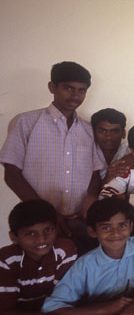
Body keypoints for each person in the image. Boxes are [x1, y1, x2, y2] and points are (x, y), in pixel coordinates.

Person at [0, 61, 105, 254]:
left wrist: (87, 208)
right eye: (68, 88)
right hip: (39, 226)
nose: (75, 96)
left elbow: (94, 174)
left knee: (80, 272)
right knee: (42, 276)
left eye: (81, 90)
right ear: (52, 87)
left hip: (79, 221)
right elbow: (12, 175)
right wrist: (49, 215)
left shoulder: (88, 129)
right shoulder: (25, 123)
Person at [41, 197, 134, 315]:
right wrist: (104, 309)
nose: (115, 233)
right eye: (106, 228)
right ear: (92, 231)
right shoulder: (84, 265)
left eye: (122, 225)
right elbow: (52, 307)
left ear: (131, 226)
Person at [0, 200, 77, 315]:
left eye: (48, 230)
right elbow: (3, 312)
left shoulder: (65, 250)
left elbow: (67, 296)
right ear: (14, 237)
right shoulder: (6, 260)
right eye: (30, 234)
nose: (42, 239)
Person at [91, 108, 130, 183]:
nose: (108, 136)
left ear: (123, 133)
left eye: (115, 131)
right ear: (93, 133)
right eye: (102, 131)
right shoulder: (86, 153)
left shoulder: (130, 150)